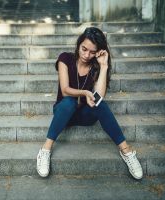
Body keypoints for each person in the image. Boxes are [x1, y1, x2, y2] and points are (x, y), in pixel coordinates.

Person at [36, 27, 143, 180]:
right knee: (69, 102)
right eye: (84, 49)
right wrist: (85, 93)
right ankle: (45, 150)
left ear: (99, 51)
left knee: (101, 105)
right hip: (64, 113)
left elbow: (98, 97)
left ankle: (126, 151)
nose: (87, 55)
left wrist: (104, 66)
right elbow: (65, 90)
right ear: (79, 44)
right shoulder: (65, 59)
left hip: (85, 115)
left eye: (92, 52)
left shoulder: (96, 67)